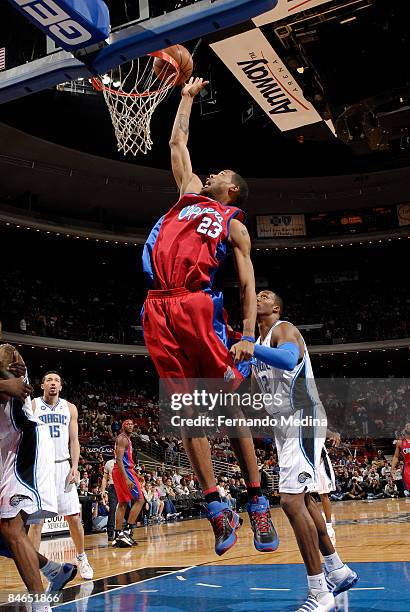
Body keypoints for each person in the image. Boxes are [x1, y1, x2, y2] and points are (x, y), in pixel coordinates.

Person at [142, 76, 277, 556]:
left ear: (233, 188)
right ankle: (217, 507)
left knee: (232, 405)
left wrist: (245, 334)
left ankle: (257, 499)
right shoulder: (188, 192)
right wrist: (185, 98)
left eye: (223, 173)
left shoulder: (233, 223)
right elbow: (178, 142)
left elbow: (246, 284)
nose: (213, 172)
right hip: (158, 305)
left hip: (200, 306)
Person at [252, 291, 358, 612]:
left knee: (290, 501)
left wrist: (248, 348)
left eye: (265, 296)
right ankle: (337, 569)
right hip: (285, 425)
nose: (259, 297)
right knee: (306, 499)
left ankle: (319, 591)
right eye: (256, 294)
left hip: (302, 416)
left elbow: (287, 359)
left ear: (276, 307)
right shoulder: (256, 344)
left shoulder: (283, 329)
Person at [0, 346, 76, 610]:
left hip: (21, 446)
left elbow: (9, 391)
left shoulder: (6, 352)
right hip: (3, 450)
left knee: (10, 527)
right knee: (2, 533)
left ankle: (40, 604)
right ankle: (54, 569)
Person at [28, 372, 93, 580]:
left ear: (61, 387)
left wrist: (75, 466)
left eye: (56, 380)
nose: (53, 383)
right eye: (49, 380)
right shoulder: (33, 405)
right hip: (41, 468)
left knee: (73, 517)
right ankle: (32, 566)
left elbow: (74, 441)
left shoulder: (70, 407)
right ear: (42, 385)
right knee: (37, 522)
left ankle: (82, 558)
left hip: (63, 466)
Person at [111, 420, 144, 547]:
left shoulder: (126, 439)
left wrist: (136, 474)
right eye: (127, 424)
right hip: (122, 471)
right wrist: (126, 478)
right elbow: (119, 460)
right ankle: (128, 531)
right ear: (123, 426)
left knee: (123, 503)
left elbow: (125, 461)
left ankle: (117, 535)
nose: (130, 425)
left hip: (122, 470)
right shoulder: (122, 439)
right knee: (140, 500)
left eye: (132, 424)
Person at [100, 456, 117, 542]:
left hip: (124, 487)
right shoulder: (109, 463)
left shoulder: (126, 461)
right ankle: (110, 533)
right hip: (113, 487)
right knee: (112, 510)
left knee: (126, 509)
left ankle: (124, 531)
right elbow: (104, 478)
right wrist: (103, 490)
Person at [391, 423, 410, 495]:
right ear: (405, 429)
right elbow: (396, 457)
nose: (409, 427)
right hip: (407, 468)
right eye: (407, 426)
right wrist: (392, 469)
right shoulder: (400, 442)